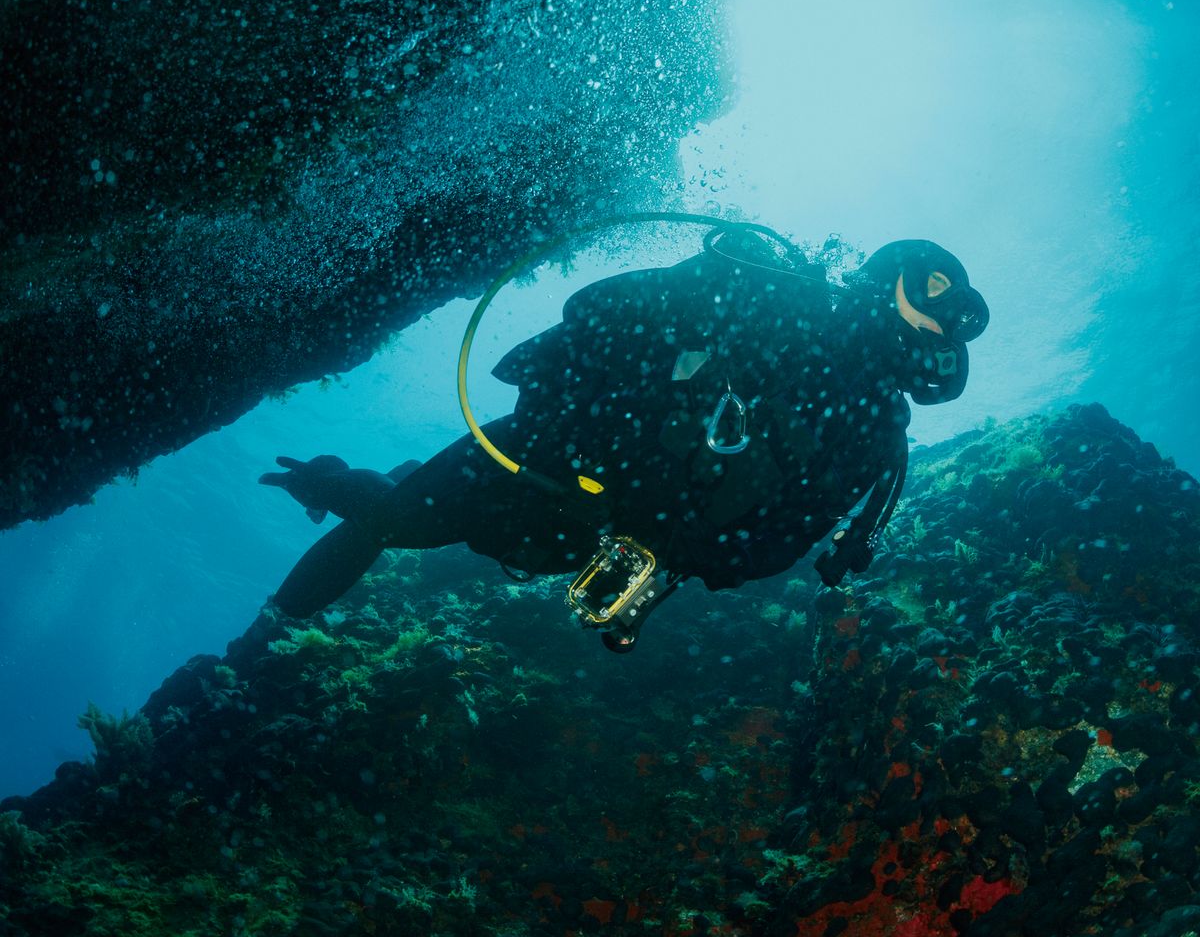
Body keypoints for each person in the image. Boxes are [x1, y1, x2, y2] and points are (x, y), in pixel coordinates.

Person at [260, 229, 988, 649]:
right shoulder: (774, 293)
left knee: (437, 527)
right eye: (931, 288)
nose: (942, 317)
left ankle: (381, 481)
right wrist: (615, 419)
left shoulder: (876, 440)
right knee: (395, 523)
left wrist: (666, 540)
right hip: (547, 453)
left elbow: (769, 551)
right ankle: (316, 508)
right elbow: (597, 311)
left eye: (953, 315)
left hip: (599, 533)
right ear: (885, 275)